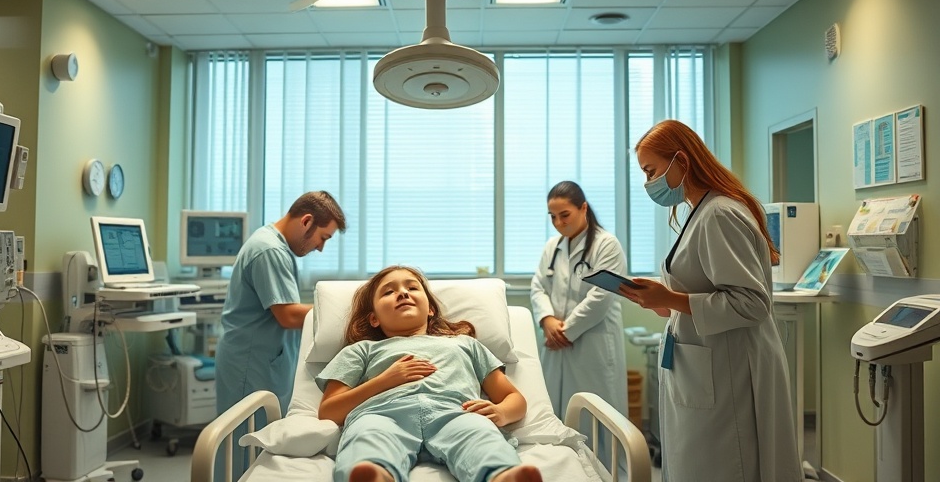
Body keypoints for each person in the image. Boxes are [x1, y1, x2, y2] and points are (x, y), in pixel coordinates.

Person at [620, 119, 802, 481]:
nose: (648, 183)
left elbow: (751, 302)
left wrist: (671, 296)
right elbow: (704, 286)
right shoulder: (700, 211)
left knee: (723, 465)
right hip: (706, 363)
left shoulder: (720, 214)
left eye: (651, 170)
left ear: (682, 162)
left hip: (727, 369)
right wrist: (662, 300)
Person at [317, 265, 543, 482]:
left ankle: (503, 476)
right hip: (382, 414)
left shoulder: (464, 345)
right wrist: (384, 380)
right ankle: (375, 475)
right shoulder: (362, 350)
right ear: (374, 318)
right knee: (367, 438)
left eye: (412, 288)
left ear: (431, 309)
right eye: (388, 291)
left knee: (481, 437)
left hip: (456, 413)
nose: (403, 293)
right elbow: (329, 411)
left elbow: (514, 398)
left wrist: (501, 412)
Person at [215, 190, 347, 479]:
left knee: (258, 444)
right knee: (243, 448)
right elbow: (287, 315)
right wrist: (346, 310)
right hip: (249, 363)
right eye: (323, 238)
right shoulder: (269, 251)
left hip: (263, 358)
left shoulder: (275, 246)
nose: (321, 248)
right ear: (307, 221)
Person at [528, 181, 629, 476]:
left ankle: (611, 475)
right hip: (555, 343)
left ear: (583, 208)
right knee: (556, 415)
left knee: (597, 418)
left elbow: (600, 297)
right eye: (553, 216)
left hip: (592, 343)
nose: (559, 223)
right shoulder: (553, 246)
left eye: (565, 214)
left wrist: (566, 331)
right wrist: (547, 319)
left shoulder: (606, 245)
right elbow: (538, 287)